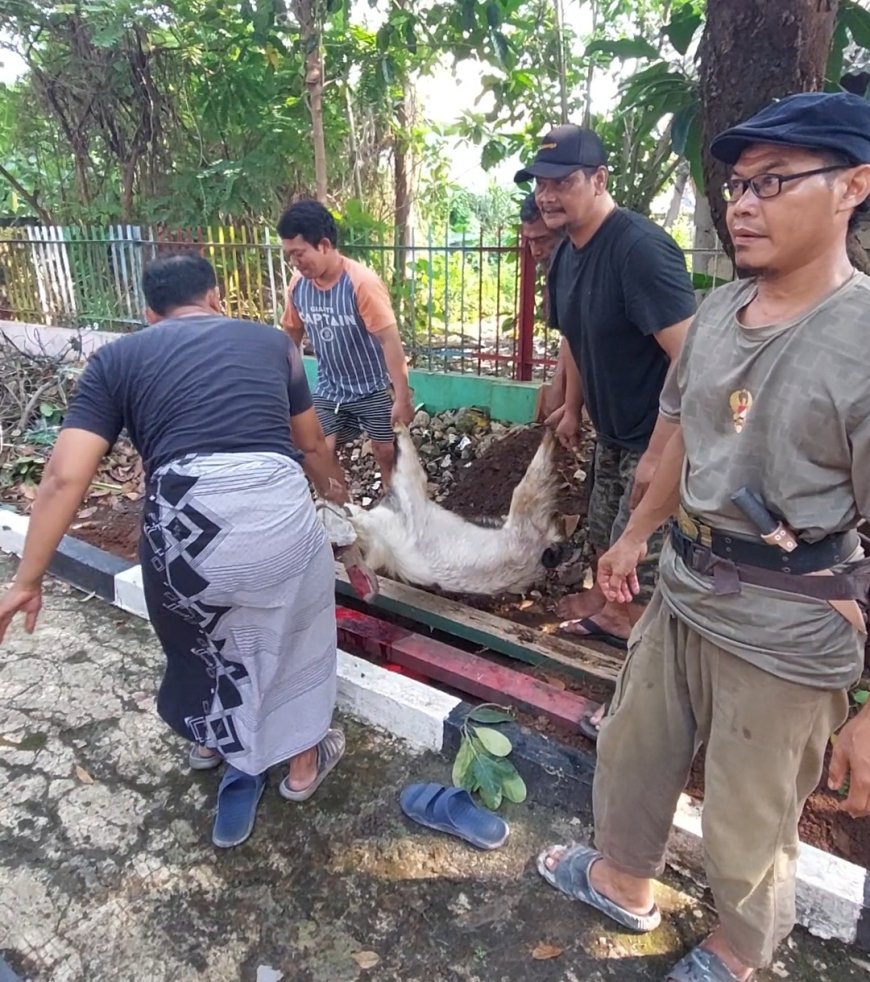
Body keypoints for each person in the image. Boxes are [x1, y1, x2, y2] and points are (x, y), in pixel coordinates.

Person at [537, 92, 870, 982]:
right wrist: (635, 534)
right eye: (736, 184)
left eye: (773, 182)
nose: (743, 203)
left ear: (853, 188)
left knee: (749, 813)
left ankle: (740, 951)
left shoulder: (861, 342)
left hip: (787, 626)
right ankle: (622, 880)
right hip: (682, 585)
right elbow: (682, 429)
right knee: (635, 751)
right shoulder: (721, 310)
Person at [0, 254, 350, 849]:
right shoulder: (275, 344)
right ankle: (301, 765)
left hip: (189, 527)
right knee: (299, 637)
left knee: (197, 638)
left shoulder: (115, 358)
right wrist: (342, 507)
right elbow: (312, 445)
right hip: (279, 513)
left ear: (148, 313)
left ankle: (211, 741)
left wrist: (27, 580)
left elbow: (63, 478)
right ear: (216, 297)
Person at [514, 124, 696, 736]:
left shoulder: (639, 250)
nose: (547, 195)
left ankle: (640, 703)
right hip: (615, 431)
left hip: (658, 438)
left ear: (599, 180)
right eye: (541, 183)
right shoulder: (566, 253)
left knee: (639, 560)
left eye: (562, 181)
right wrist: (571, 405)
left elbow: (693, 360)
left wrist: (663, 451)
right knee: (605, 539)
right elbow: (575, 335)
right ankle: (614, 621)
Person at [278, 200, 414, 488]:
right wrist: (283, 388)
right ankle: (341, 511)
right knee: (320, 452)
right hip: (330, 387)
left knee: (385, 451)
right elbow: (291, 336)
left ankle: (392, 508)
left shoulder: (361, 283)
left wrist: (402, 397)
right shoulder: (298, 287)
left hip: (372, 386)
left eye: (299, 253)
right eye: (290, 256)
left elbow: (389, 340)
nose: (295, 262)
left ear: (324, 245)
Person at [519, 192, 566, 420]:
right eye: (530, 241)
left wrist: (560, 386)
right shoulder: (558, 270)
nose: (535, 252)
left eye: (542, 240)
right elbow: (572, 336)